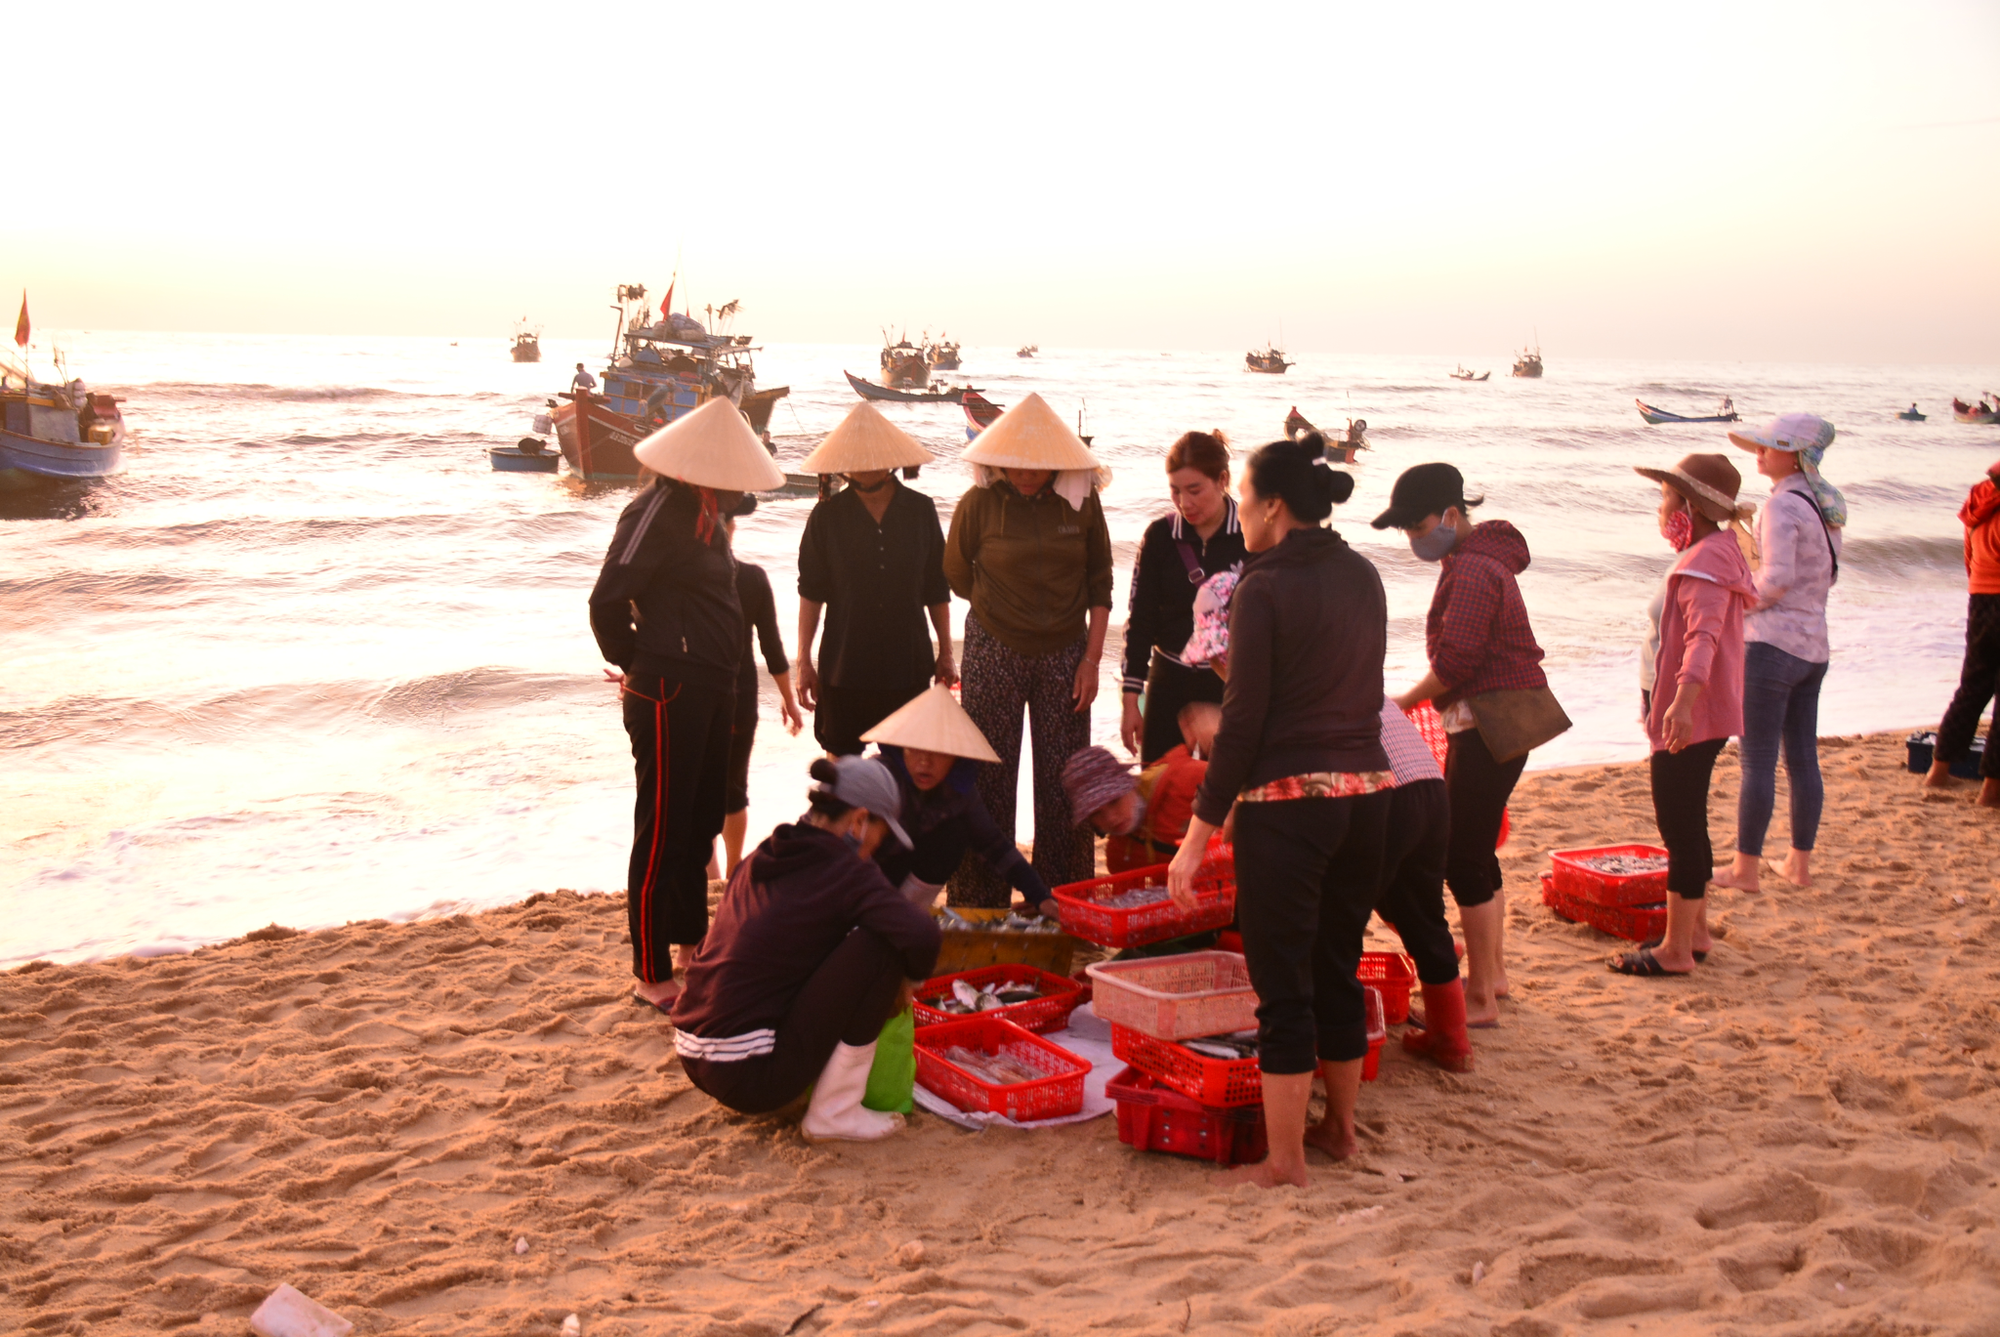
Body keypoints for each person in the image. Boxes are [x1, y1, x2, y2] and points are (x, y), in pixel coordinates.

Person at [1166, 433, 1390, 1188]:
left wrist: (1196, 834)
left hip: (1289, 807)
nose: (1245, 520)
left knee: (1283, 986)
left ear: (1273, 505)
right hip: (1367, 800)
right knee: (1337, 966)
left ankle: (1286, 1160)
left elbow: (1245, 720)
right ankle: (1340, 1130)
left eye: (1250, 506)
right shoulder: (1363, 574)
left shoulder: (1262, 587)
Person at [589, 398, 785, 1011]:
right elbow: (606, 601)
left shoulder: (708, 508)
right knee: (663, 830)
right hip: (669, 687)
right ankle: (651, 972)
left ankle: (688, 942)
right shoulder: (655, 510)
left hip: (713, 684)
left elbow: (749, 496)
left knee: (699, 824)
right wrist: (641, 666)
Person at [1374, 463, 1562, 1028]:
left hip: (1492, 719)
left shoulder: (1476, 569)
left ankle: (1479, 995)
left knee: (1462, 856)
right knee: (1475, 850)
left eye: (1417, 526)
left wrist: (1399, 704)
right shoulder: (1474, 558)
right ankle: (1492, 976)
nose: (1412, 539)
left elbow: (1456, 662)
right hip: (1489, 717)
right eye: (1405, 531)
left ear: (1452, 516)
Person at [671, 756, 940, 1143]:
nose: (876, 851)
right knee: (881, 946)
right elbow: (923, 934)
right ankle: (836, 1112)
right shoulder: (845, 869)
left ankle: (829, 1099)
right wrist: (906, 983)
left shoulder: (764, 853)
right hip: (750, 1076)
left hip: (695, 1054)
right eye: (880, 837)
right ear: (860, 821)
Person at [945, 393, 1114, 905]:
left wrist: (1091, 661)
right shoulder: (979, 502)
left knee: (1064, 780)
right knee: (988, 777)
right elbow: (955, 574)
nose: (1024, 476)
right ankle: (980, 901)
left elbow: (1100, 582)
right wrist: (1002, 609)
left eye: (1036, 468)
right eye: (1016, 467)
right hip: (993, 649)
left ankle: (1063, 898)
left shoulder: (1080, 501)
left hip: (1067, 653)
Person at [1616, 454, 1757, 977]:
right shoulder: (1709, 551)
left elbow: (1703, 638)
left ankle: (1676, 951)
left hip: (1692, 711)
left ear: (1690, 507)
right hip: (1691, 707)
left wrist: (1681, 704)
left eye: (1665, 498)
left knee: (1679, 825)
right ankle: (1693, 934)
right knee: (1688, 820)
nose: (1659, 508)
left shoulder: (1708, 561)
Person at [1711, 414, 1844, 892]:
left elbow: (1777, 579)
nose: (1760, 452)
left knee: (1758, 760)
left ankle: (1746, 868)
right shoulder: (1822, 504)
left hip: (1771, 647)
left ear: (1797, 454)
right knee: (1803, 758)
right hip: (1813, 645)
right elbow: (1823, 576)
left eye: (1771, 446)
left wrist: (1735, 603)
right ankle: (1798, 865)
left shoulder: (1781, 506)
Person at [796, 402, 954, 757]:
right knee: (841, 774)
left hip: (908, 665)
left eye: (873, 456)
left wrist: (946, 652)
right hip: (844, 666)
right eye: (855, 457)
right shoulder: (827, 518)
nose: (865, 463)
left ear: (891, 459)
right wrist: (804, 661)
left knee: (906, 773)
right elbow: (811, 593)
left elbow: (936, 587)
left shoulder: (920, 511)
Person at [861, 684, 1060, 918]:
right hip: (860, 874)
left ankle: (902, 915)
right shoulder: (879, 778)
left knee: (953, 834)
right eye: (914, 750)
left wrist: (1040, 896)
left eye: (938, 752)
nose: (925, 762)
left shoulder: (959, 793)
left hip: (907, 884)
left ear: (956, 756)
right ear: (900, 748)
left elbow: (995, 846)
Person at [1119, 430, 1245, 763]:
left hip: (1231, 687)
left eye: (1194, 490)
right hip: (1168, 683)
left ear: (1222, 480)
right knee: (1160, 791)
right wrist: (1132, 697)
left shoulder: (1251, 534)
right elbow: (1140, 618)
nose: (1184, 503)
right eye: (1175, 491)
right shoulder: (1159, 536)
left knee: (1227, 800)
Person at [1375, 697, 1474, 1073]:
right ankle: (1452, 1042)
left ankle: (1333, 1039)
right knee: (1425, 915)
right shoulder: (1358, 670)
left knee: (1343, 917)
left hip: (1382, 791)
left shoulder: (1301, 678)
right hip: (1430, 787)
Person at [719, 495, 804, 875]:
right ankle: (733, 868)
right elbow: (772, 647)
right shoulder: (751, 578)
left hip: (693, 696)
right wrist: (789, 700)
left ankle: (712, 876)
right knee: (733, 785)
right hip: (739, 696)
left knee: (700, 789)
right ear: (732, 530)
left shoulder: (681, 580)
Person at [1063, 704, 1217, 873]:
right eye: (1096, 814)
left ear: (1129, 783)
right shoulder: (1118, 855)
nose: (1111, 818)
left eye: (1114, 801)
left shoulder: (1187, 779)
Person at [1926, 459, 2000, 808]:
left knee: (1973, 685)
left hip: (1980, 600)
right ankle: (1991, 791)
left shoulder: (1979, 503)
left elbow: (1969, 559)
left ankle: (1939, 771)